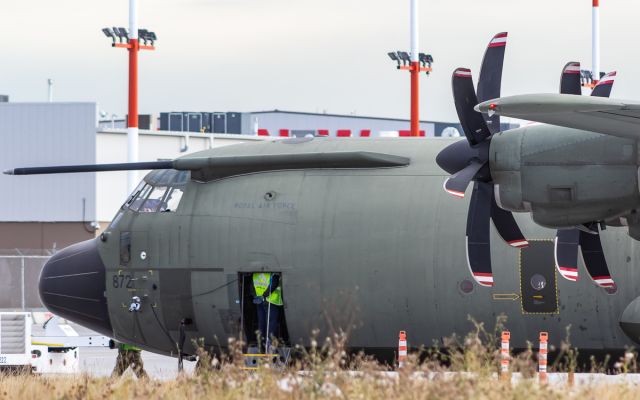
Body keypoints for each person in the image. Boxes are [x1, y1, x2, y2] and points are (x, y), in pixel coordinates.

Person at [252, 272, 283, 352]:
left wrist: (257, 296)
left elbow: (251, 287)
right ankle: (270, 345)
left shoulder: (255, 274)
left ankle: (261, 345)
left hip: (259, 301)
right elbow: (274, 284)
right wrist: (264, 296)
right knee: (271, 322)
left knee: (261, 323)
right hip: (271, 301)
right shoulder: (273, 274)